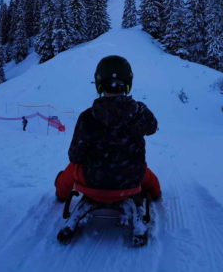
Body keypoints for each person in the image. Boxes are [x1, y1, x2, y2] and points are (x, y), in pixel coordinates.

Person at [55, 55, 161, 202]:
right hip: (130, 180)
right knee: (147, 175)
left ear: (99, 84)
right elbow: (152, 127)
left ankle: (61, 195)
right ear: (128, 83)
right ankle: (156, 195)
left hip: (93, 181)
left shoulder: (87, 116)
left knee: (72, 169)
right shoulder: (139, 112)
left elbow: (75, 156)